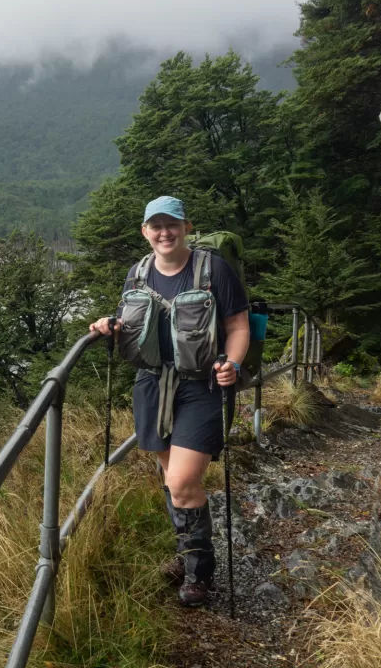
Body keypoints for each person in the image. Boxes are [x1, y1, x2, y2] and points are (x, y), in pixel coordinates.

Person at [89, 195, 249, 607]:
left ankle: (200, 571)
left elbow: (237, 325)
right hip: (151, 384)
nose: (164, 232)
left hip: (202, 385)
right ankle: (188, 552)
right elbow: (133, 321)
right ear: (145, 232)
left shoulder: (214, 270)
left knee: (181, 481)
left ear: (186, 227)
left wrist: (231, 363)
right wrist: (110, 325)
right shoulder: (137, 273)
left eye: (172, 224)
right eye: (156, 226)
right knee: (172, 480)